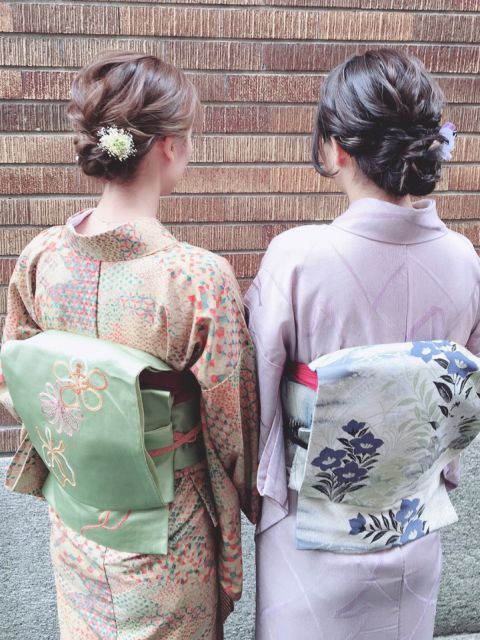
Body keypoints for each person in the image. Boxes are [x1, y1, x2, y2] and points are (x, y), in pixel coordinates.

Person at [1, 51, 259, 640]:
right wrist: (257, 502)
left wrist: (83, 440)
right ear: (168, 145)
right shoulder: (197, 279)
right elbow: (232, 428)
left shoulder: (42, 257)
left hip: (76, 519)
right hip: (168, 531)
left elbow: (18, 377)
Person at [245, 49, 480, 640]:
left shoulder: (297, 259)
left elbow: (256, 407)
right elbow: (459, 406)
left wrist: (257, 492)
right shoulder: (465, 261)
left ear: (336, 148)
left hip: (310, 541)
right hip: (414, 529)